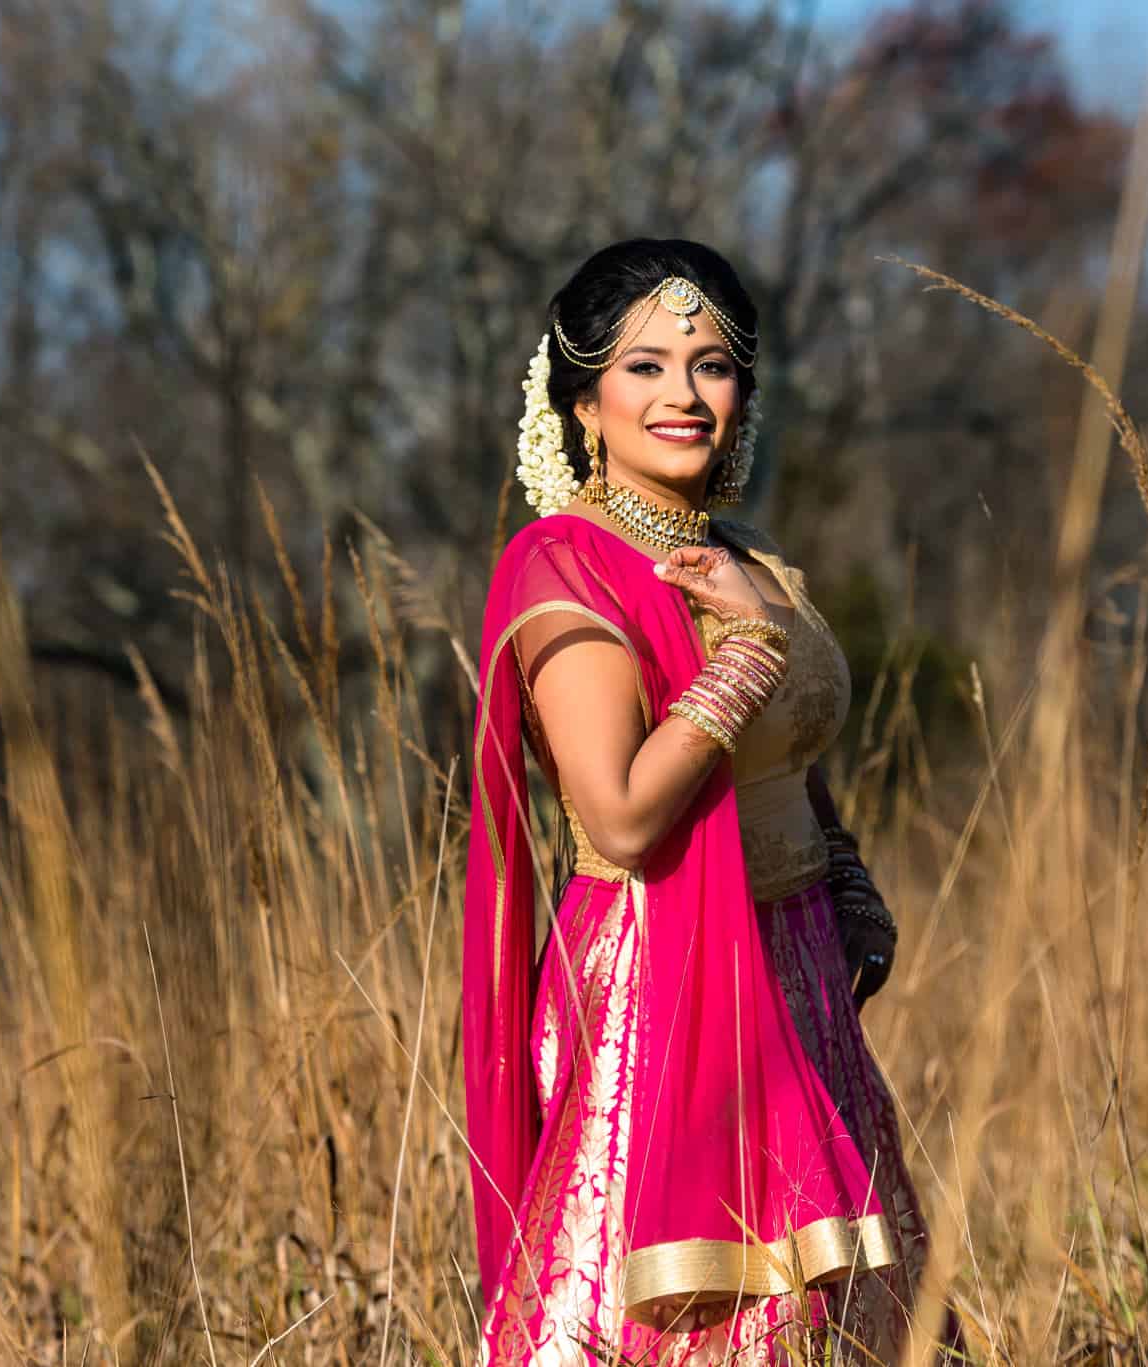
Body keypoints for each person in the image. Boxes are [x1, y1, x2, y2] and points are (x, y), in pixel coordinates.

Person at [461, 239, 955, 1365]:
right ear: (583, 399)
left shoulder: (745, 560)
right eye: (644, 366)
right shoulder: (563, 564)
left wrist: (844, 875)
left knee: (838, 1310)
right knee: (700, 1323)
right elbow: (628, 815)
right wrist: (745, 646)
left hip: (795, 965)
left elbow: (785, 752)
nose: (683, 394)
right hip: (654, 984)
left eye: (713, 364)